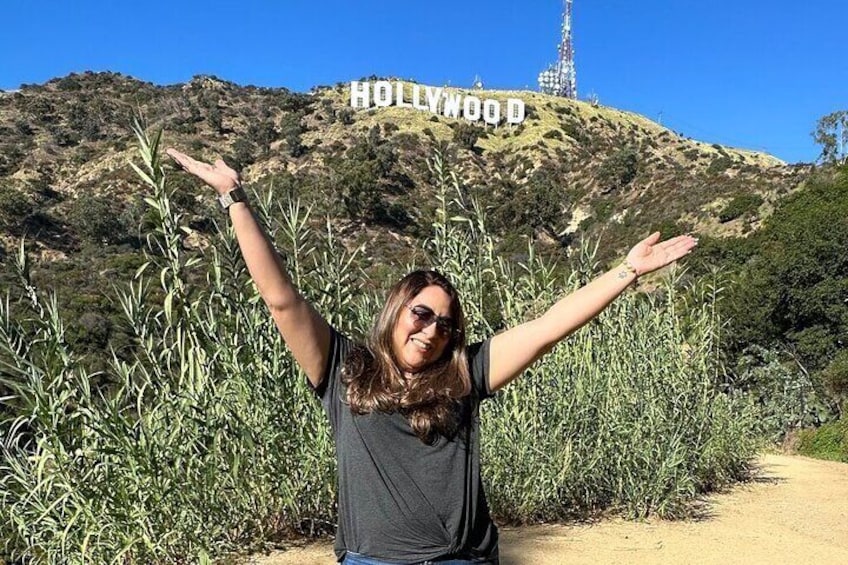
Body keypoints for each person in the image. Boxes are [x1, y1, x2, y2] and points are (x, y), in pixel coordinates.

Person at [166, 148, 698, 565]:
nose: (432, 330)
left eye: (446, 323)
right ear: (397, 310)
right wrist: (234, 198)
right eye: (421, 313)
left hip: (463, 560)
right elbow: (282, 299)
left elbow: (546, 328)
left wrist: (626, 272)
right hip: (372, 561)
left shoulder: (466, 372)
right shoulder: (344, 368)